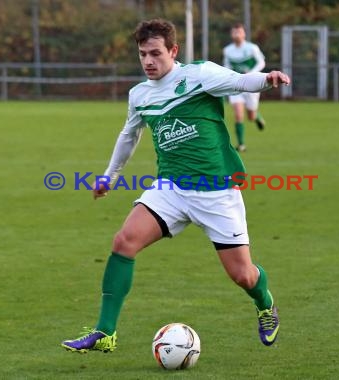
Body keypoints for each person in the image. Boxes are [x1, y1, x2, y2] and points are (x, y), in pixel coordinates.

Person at [61, 18, 290, 354]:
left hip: (216, 192)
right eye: (142, 54)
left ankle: (265, 304)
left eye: (155, 53)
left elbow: (240, 81)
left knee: (243, 275)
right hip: (171, 188)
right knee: (124, 242)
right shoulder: (139, 94)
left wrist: (266, 81)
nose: (148, 61)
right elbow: (129, 135)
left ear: (173, 51)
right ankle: (105, 332)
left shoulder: (197, 76)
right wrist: (109, 176)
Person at [223, 22, 267, 152]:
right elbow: (227, 66)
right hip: (236, 85)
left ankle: (257, 117)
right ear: (231, 34)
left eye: (239, 31)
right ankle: (241, 145)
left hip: (251, 84)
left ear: (244, 34)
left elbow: (262, 62)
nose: (237, 34)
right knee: (238, 114)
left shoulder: (252, 48)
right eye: (234, 32)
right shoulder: (228, 50)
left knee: (251, 116)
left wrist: (252, 72)